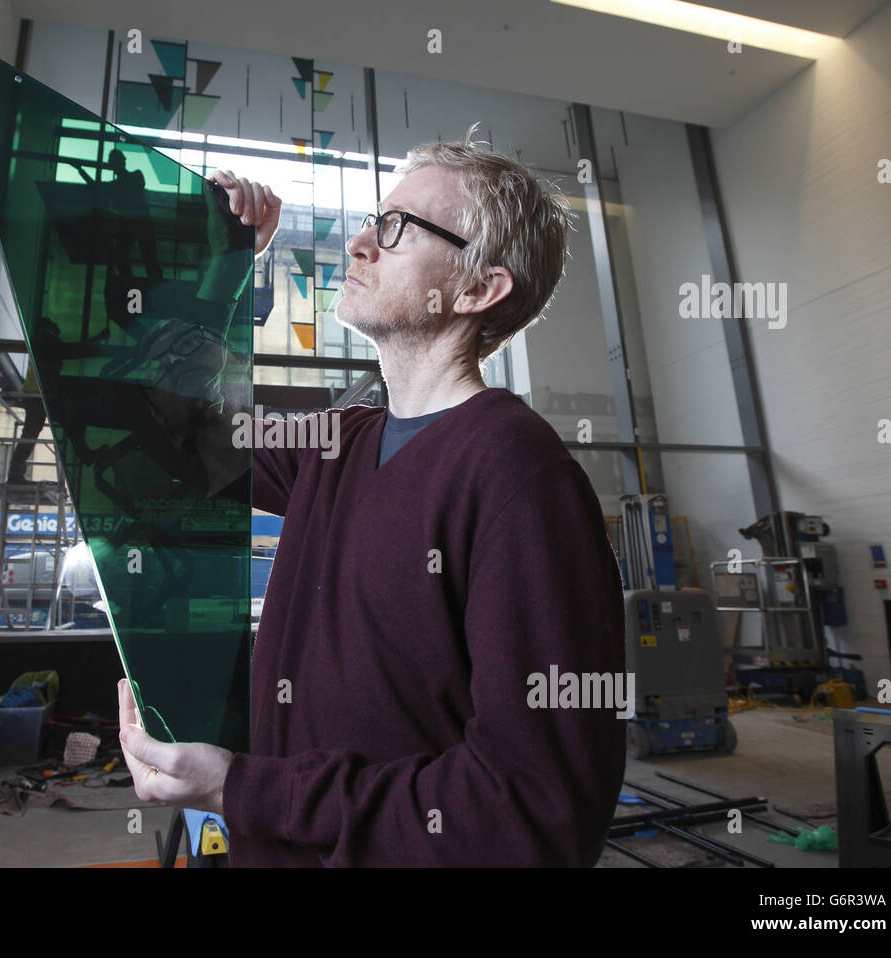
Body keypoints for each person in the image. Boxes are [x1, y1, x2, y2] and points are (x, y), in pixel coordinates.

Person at [117, 125, 627, 866]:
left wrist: (244, 791)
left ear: (479, 288)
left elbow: (533, 812)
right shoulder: (340, 443)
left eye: (395, 229)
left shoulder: (522, 480)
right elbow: (172, 428)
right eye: (369, 222)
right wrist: (221, 264)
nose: (358, 243)